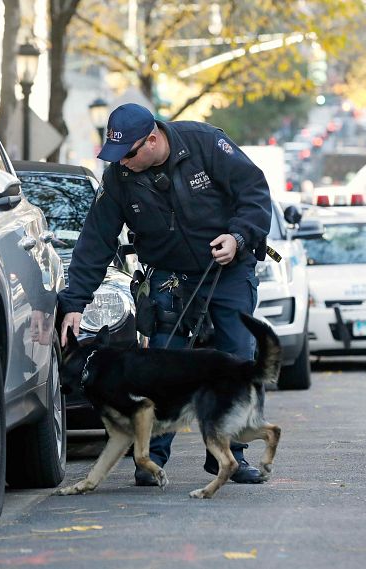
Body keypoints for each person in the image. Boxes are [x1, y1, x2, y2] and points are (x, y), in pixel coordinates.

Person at [58, 103, 272, 485]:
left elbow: (254, 193)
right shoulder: (120, 178)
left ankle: (230, 456)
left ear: (153, 140)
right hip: (170, 276)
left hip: (226, 268)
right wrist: (75, 302)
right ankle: (151, 460)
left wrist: (238, 237)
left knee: (236, 358)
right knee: (161, 364)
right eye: (116, 156)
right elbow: (96, 241)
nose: (122, 163)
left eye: (129, 154)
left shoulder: (205, 144)